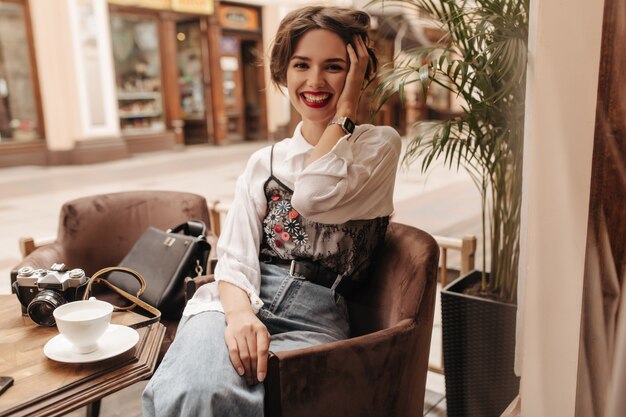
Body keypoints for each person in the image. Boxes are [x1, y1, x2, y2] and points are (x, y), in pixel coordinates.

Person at [142, 6, 401, 417]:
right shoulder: (264, 162)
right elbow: (234, 258)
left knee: (263, 400)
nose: (315, 81)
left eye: (334, 67)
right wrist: (241, 316)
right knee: (198, 392)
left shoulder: (378, 146)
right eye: (301, 65)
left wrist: (347, 110)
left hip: (317, 317)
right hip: (241, 299)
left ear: (357, 72)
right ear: (283, 71)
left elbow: (311, 196)